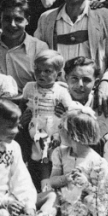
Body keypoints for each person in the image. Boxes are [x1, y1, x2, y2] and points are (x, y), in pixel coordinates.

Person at [35, 0, 108, 114]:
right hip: (56, 102)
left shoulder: (107, 17)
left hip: (94, 100)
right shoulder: (46, 19)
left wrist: (106, 83)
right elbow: (38, 63)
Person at [38, 109, 108, 216]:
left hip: (83, 199)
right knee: (53, 196)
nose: (58, 130)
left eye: (61, 127)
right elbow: (52, 181)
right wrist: (66, 178)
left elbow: (100, 191)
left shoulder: (97, 161)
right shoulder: (59, 153)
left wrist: (85, 183)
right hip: (63, 197)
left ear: (73, 134)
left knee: (90, 201)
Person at [24, 50, 80, 181]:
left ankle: (60, 183)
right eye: (37, 70)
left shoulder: (61, 91)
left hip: (55, 130)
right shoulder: (30, 87)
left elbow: (70, 109)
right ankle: (45, 186)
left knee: (56, 158)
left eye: (47, 71)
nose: (41, 74)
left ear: (58, 74)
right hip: (36, 129)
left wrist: (64, 122)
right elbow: (23, 103)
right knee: (42, 159)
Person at [0, 0, 49, 91]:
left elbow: (46, 86)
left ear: (27, 20)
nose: (12, 24)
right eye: (7, 19)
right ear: (0, 19)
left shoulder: (39, 49)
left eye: (18, 19)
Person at [64, 57, 108, 148]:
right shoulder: (57, 100)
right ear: (66, 78)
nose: (80, 84)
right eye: (74, 78)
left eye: (86, 80)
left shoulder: (100, 104)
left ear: (96, 83)